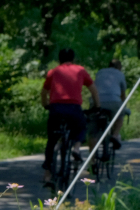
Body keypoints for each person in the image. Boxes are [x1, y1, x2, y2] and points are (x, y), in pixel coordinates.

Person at [41, 48, 99, 187]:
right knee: (81, 126)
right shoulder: (80, 70)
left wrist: (46, 105)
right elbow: (93, 90)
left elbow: (44, 92)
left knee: (52, 139)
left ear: (59, 59)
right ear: (73, 59)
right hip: (73, 108)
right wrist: (97, 106)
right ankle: (77, 148)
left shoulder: (53, 72)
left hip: (56, 108)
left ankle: (48, 175)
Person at [92, 59, 126, 155]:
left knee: (94, 125)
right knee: (120, 115)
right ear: (119, 67)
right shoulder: (120, 74)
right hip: (113, 101)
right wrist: (124, 107)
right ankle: (115, 135)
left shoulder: (100, 72)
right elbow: (123, 95)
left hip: (97, 101)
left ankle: (93, 159)